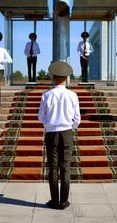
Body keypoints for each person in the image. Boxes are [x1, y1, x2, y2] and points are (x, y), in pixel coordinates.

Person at [38, 61, 81, 210]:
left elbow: (40, 117)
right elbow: (77, 119)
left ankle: (54, 200)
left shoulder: (46, 95)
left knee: (53, 167)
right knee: (66, 167)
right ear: (66, 78)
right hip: (67, 132)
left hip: (51, 134)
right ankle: (64, 201)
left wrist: (50, 125)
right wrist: (69, 127)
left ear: (53, 77)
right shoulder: (73, 95)